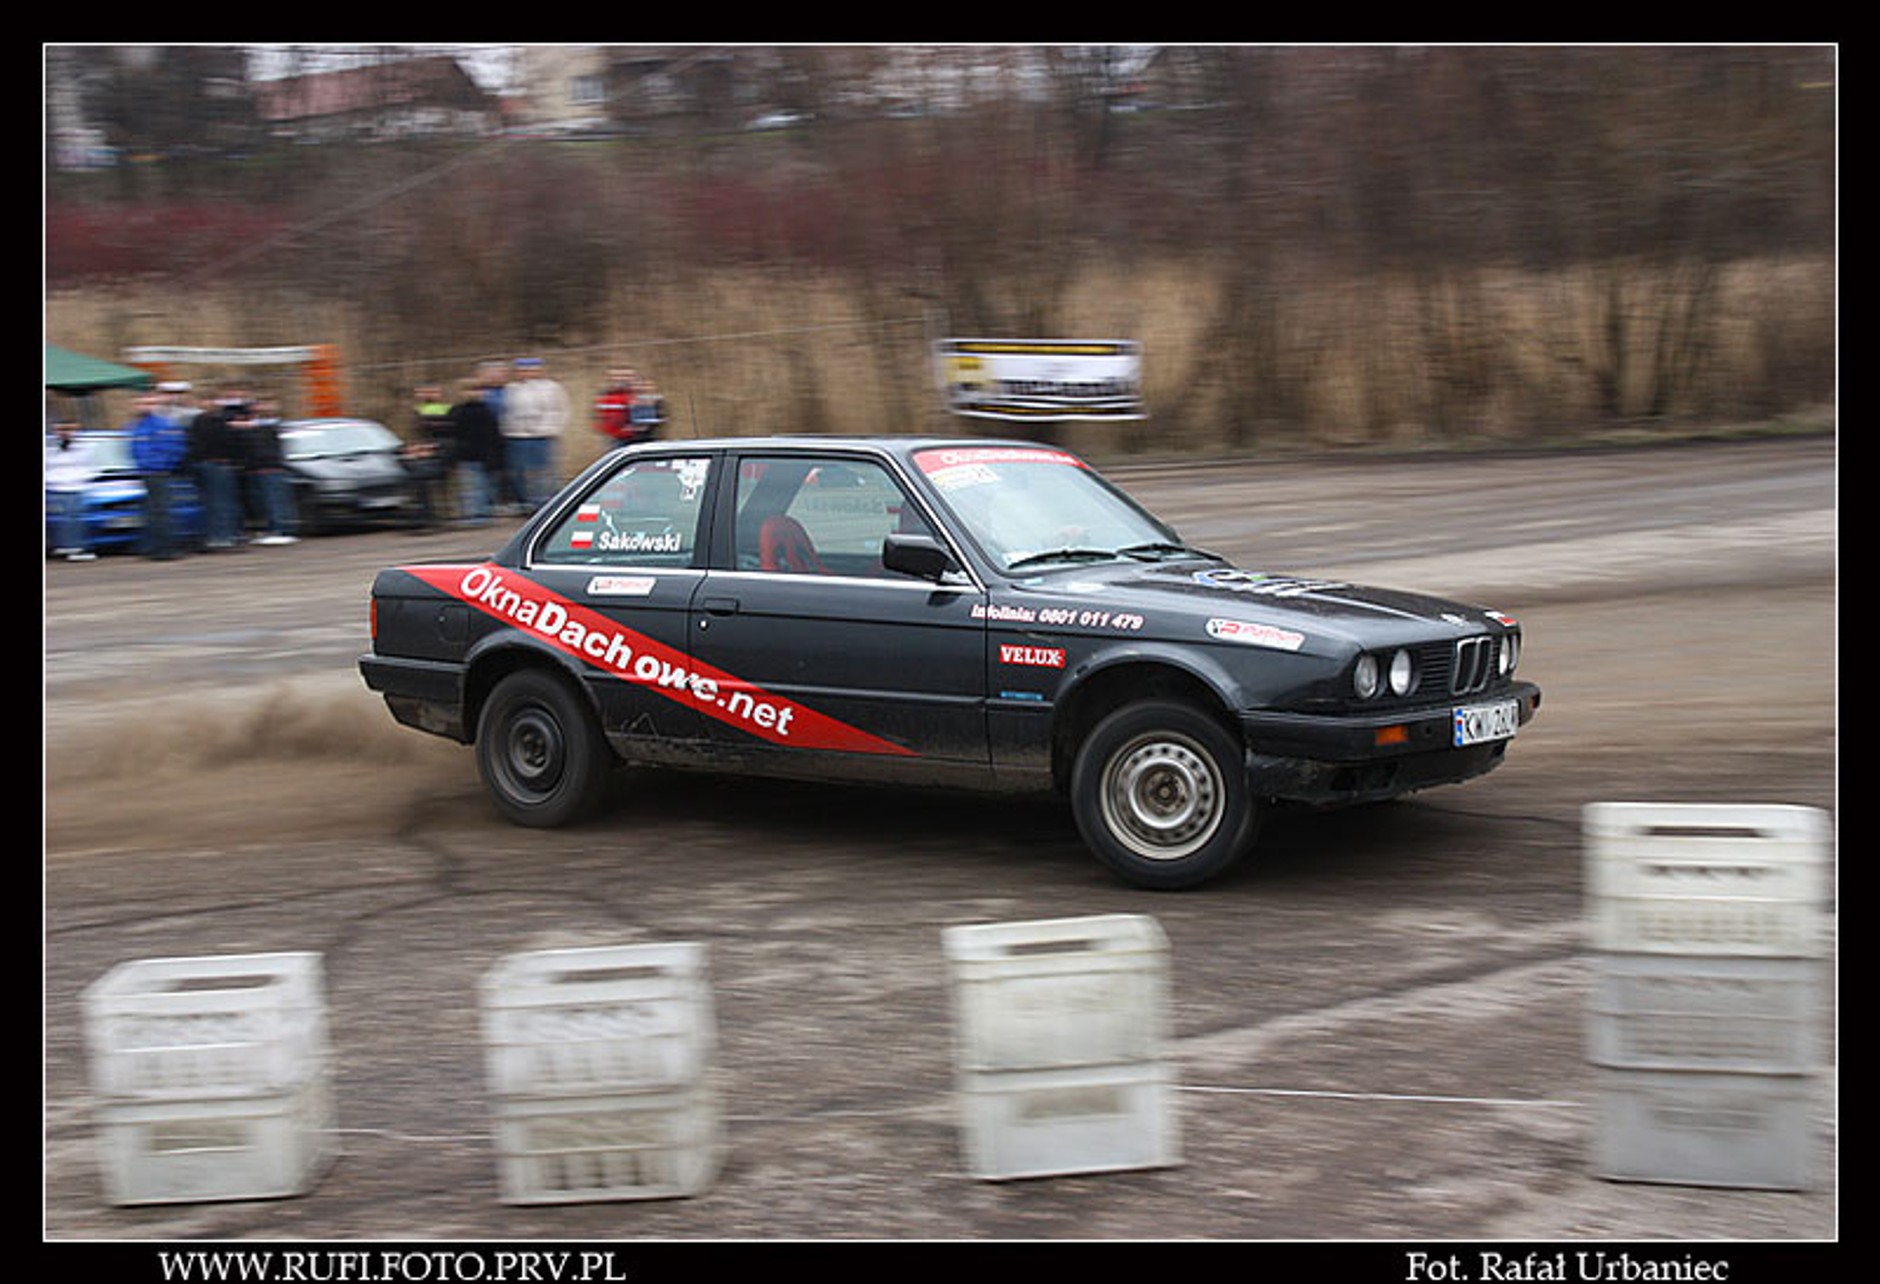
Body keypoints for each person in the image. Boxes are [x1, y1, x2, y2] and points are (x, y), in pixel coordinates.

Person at [502, 356, 570, 511]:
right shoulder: (511, 389)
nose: (527, 374)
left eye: (531, 370)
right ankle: (528, 503)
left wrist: (554, 429)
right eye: (522, 371)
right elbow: (506, 413)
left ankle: (547, 503)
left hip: (543, 436)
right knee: (521, 471)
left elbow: (562, 410)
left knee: (544, 471)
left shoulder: (552, 387)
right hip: (518, 437)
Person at [128, 392, 190, 561]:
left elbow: (175, 448)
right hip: (145, 473)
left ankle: (166, 548)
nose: (144, 406)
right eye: (141, 402)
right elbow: (133, 450)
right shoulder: (135, 425)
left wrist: (163, 466)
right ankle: (153, 547)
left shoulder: (162, 424)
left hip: (158, 473)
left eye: (149, 403)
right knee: (151, 511)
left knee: (162, 511)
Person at [188, 387, 244, 549]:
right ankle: (221, 535)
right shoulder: (202, 421)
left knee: (222, 503)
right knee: (214, 503)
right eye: (205, 400)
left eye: (211, 400)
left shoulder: (219, 421)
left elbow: (229, 442)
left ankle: (225, 536)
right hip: (210, 464)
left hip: (219, 464)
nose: (209, 404)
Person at [239, 397, 298, 545]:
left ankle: (280, 530)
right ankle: (280, 529)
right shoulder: (267, 426)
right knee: (272, 501)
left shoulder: (267, 427)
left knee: (273, 501)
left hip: (267, 468)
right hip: (267, 468)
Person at [447, 379, 504, 527]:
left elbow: (494, 433)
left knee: (483, 486)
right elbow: (452, 433)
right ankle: (473, 513)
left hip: (484, 455)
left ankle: (482, 514)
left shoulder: (487, 410)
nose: (473, 394)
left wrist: (496, 453)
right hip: (466, 456)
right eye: (469, 390)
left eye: (477, 390)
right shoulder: (457, 411)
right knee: (470, 487)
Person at [45, 420, 98, 561]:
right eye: (61, 429)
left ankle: (77, 547)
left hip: (76, 487)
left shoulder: (84, 446)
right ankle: (63, 546)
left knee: (75, 520)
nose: (64, 432)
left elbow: (91, 465)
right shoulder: (49, 447)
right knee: (60, 521)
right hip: (55, 487)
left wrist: (84, 479)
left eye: (68, 429)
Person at [403, 385, 455, 529]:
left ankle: (442, 516)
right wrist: (415, 448)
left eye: (432, 391)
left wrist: (430, 448)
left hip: (441, 455)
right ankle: (429, 515)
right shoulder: (417, 411)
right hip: (426, 457)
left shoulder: (447, 409)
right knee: (423, 484)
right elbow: (414, 435)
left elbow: (449, 433)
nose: (428, 395)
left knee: (440, 486)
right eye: (424, 392)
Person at [593, 367, 641, 444]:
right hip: (614, 437)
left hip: (635, 436)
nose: (620, 380)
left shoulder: (635, 396)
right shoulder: (606, 397)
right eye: (617, 377)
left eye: (624, 377)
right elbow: (599, 417)